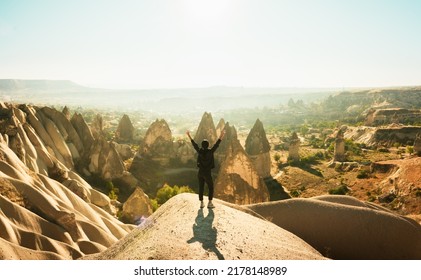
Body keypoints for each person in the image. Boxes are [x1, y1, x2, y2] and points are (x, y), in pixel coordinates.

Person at [186, 129, 225, 208]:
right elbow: (217, 144)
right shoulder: (210, 151)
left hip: (200, 173)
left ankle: (201, 203)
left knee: (201, 187)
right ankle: (210, 203)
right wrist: (222, 135)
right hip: (207, 173)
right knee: (211, 187)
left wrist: (188, 135)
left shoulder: (200, 151)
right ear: (208, 145)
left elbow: (194, 145)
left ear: (202, 145)